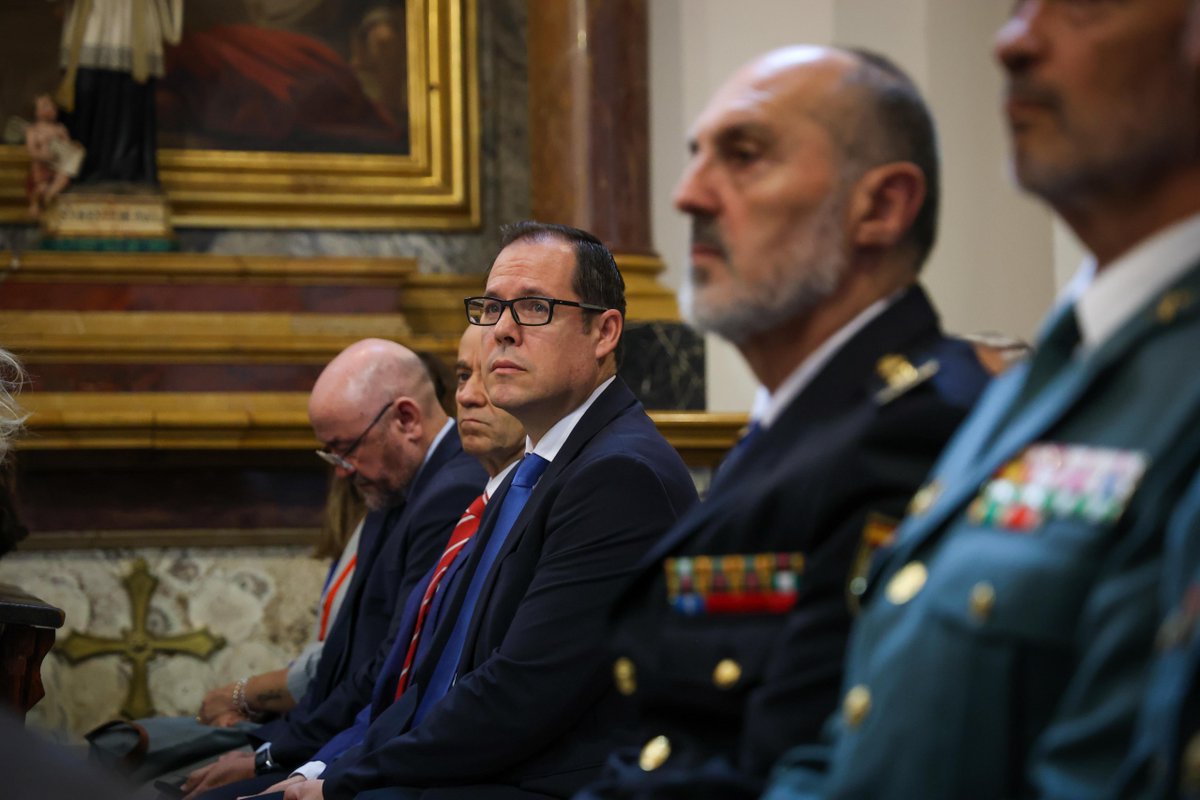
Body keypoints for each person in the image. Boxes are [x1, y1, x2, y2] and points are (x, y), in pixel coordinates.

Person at [763, 2, 1200, 798]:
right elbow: (866, 732)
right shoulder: (1043, 372)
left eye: (1085, 6)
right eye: (1015, 7)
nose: (1013, 41)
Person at [573, 46, 989, 800]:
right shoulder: (800, 425)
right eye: (696, 155)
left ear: (882, 207)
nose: (687, 194)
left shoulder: (917, 433)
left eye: (745, 155)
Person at [258, 222, 698, 800]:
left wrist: (340, 782)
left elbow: (521, 694)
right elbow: (430, 679)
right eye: (491, 309)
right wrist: (323, 771)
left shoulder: (618, 475)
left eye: (535, 308)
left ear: (604, 331)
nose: (502, 332)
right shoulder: (531, 468)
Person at [193, 326, 529, 799]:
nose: (468, 397)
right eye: (460, 376)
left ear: (405, 419)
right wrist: (305, 764)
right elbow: (370, 663)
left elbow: (415, 682)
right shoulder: (402, 487)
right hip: (360, 744)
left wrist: (298, 765)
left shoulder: (454, 491)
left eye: (492, 376)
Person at [56, 0, 184, 185]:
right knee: (88, 88)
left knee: (130, 94)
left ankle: (128, 168)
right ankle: (83, 170)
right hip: (93, 18)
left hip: (134, 20)